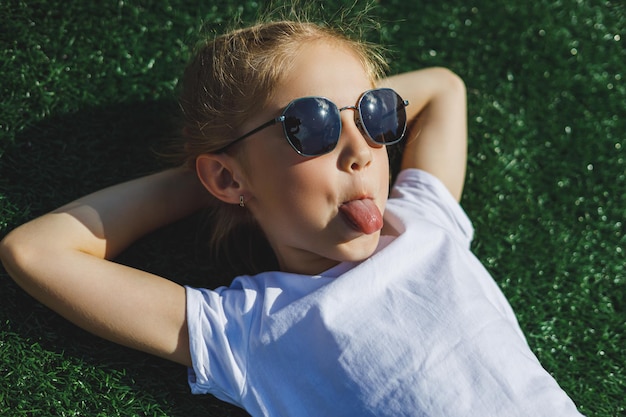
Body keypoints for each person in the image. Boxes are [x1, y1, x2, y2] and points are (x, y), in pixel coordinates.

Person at [0, 17, 584, 417]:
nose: (362, 149)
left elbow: (442, 89)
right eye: (313, 126)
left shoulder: (423, 222)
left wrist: (287, 145)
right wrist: (216, 180)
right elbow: (36, 253)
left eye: (377, 117)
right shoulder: (252, 329)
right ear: (226, 178)